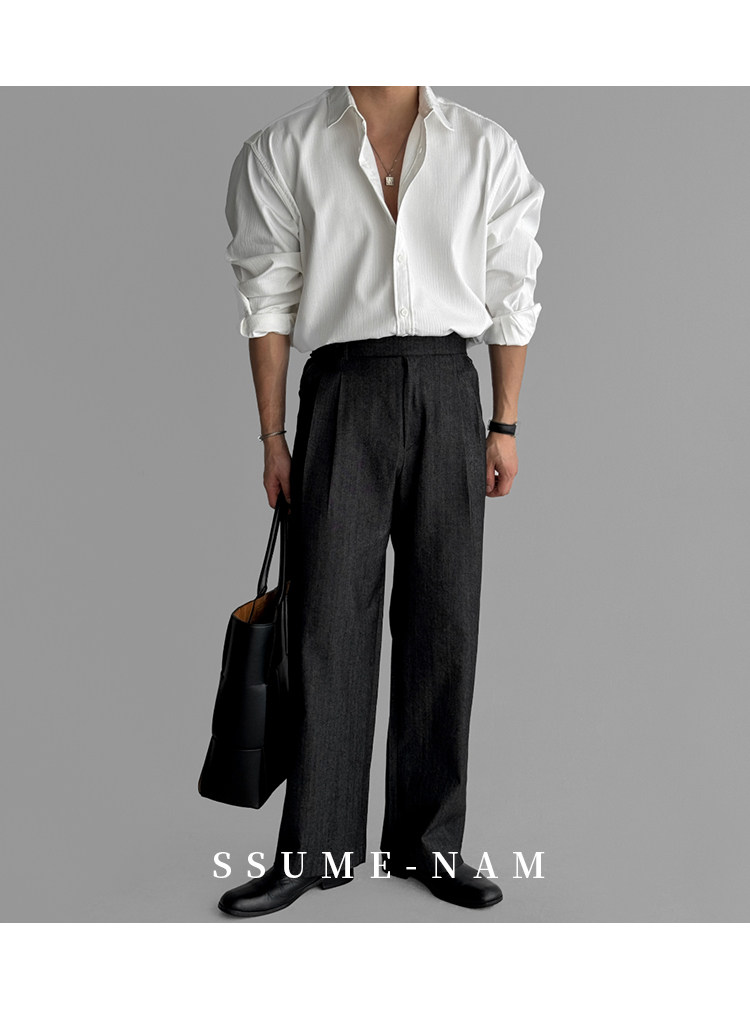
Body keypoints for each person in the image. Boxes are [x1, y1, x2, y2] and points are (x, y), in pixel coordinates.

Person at [217, 85, 544, 918]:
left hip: (447, 387)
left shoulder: (484, 147)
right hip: (341, 391)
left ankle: (429, 843)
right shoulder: (283, 149)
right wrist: (273, 434)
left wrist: (503, 422)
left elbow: (511, 285)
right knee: (325, 625)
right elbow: (267, 295)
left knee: (445, 621)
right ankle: (313, 847)